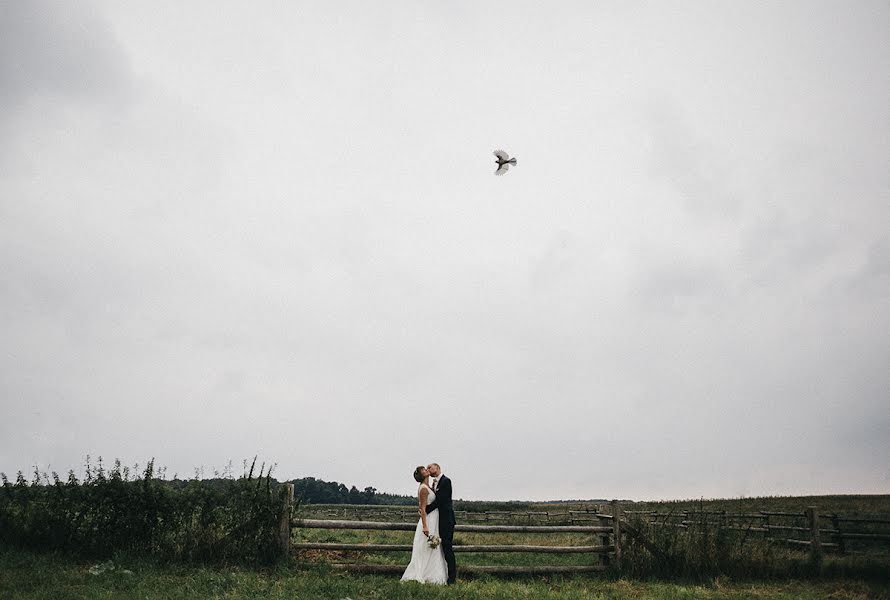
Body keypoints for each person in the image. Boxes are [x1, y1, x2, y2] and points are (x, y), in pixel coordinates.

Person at [400, 465, 448, 584]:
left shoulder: (429, 487)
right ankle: (422, 572)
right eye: (424, 470)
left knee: (433, 547)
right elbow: (422, 508)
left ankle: (433, 572)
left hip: (435, 519)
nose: (427, 470)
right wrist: (425, 526)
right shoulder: (423, 489)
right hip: (429, 520)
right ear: (422, 475)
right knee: (425, 547)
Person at [424, 463, 456, 585]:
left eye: (430, 467)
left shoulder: (446, 481)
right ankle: (441, 574)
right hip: (439, 520)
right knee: (441, 548)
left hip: (447, 520)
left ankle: (452, 578)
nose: (428, 470)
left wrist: (425, 510)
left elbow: (441, 500)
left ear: (437, 468)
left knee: (447, 548)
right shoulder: (434, 483)